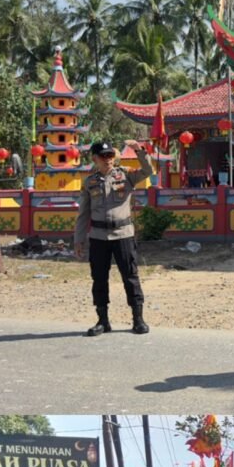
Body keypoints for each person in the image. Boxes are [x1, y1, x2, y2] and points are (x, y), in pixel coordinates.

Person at [73, 138, 155, 337]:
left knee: (130, 276)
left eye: (110, 155)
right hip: (99, 237)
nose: (108, 159)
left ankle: (138, 319)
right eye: (103, 156)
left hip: (123, 234)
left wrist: (140, 151)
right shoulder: (89, 182)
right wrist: (78, 240)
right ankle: (103, 321)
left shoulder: (125, 175)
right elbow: (83, 213)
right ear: (95, 158)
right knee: (99, 279)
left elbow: (148, 171)